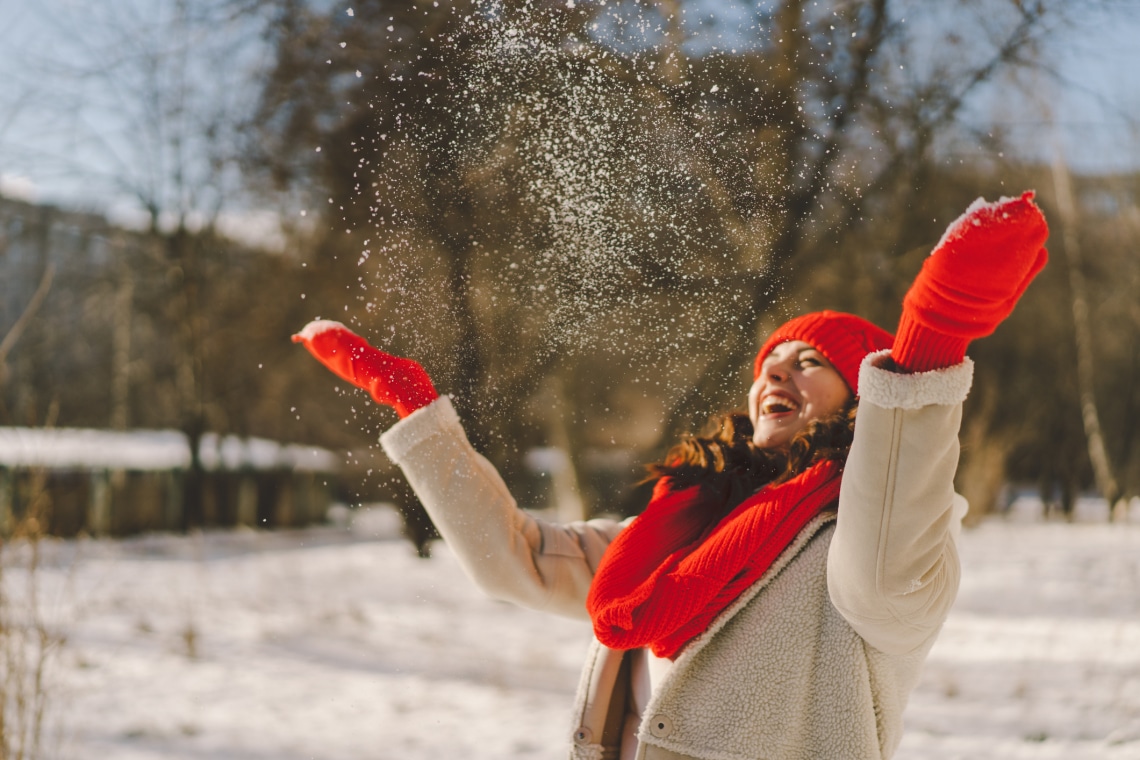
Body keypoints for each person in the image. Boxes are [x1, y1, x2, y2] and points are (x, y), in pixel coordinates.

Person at [294, 192, 1049, 760]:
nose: (777, 375)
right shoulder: (679, 527)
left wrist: (929, 352)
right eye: (770, 365)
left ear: (864, 397)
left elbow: (888, 537)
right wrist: (420, 416)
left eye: (811, 362)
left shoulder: (880, 550)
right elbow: (516, 561)